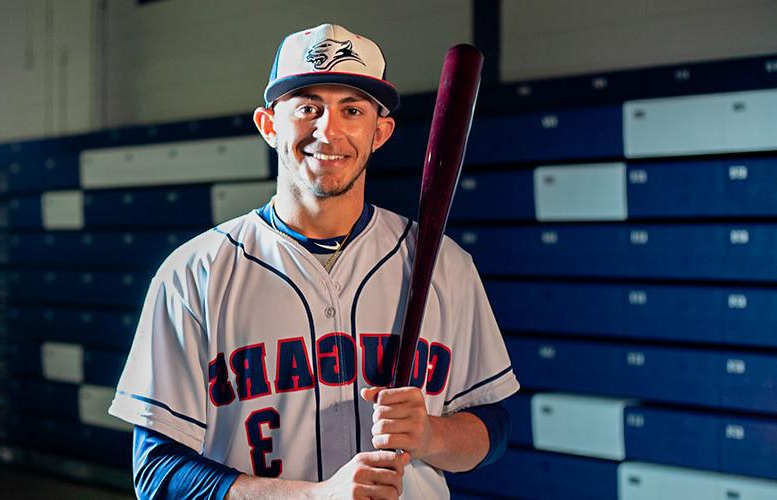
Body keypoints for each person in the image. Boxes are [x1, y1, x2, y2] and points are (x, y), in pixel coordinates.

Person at [109, 23, 519, 500]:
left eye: (352, 109)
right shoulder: (193, 274)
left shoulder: (446, 265)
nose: (330, 130)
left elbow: (494, 428)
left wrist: (432, 435)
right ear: (268, 125)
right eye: (308, 107)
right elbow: (158, 475)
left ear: (380, 132)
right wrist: (314, 497)